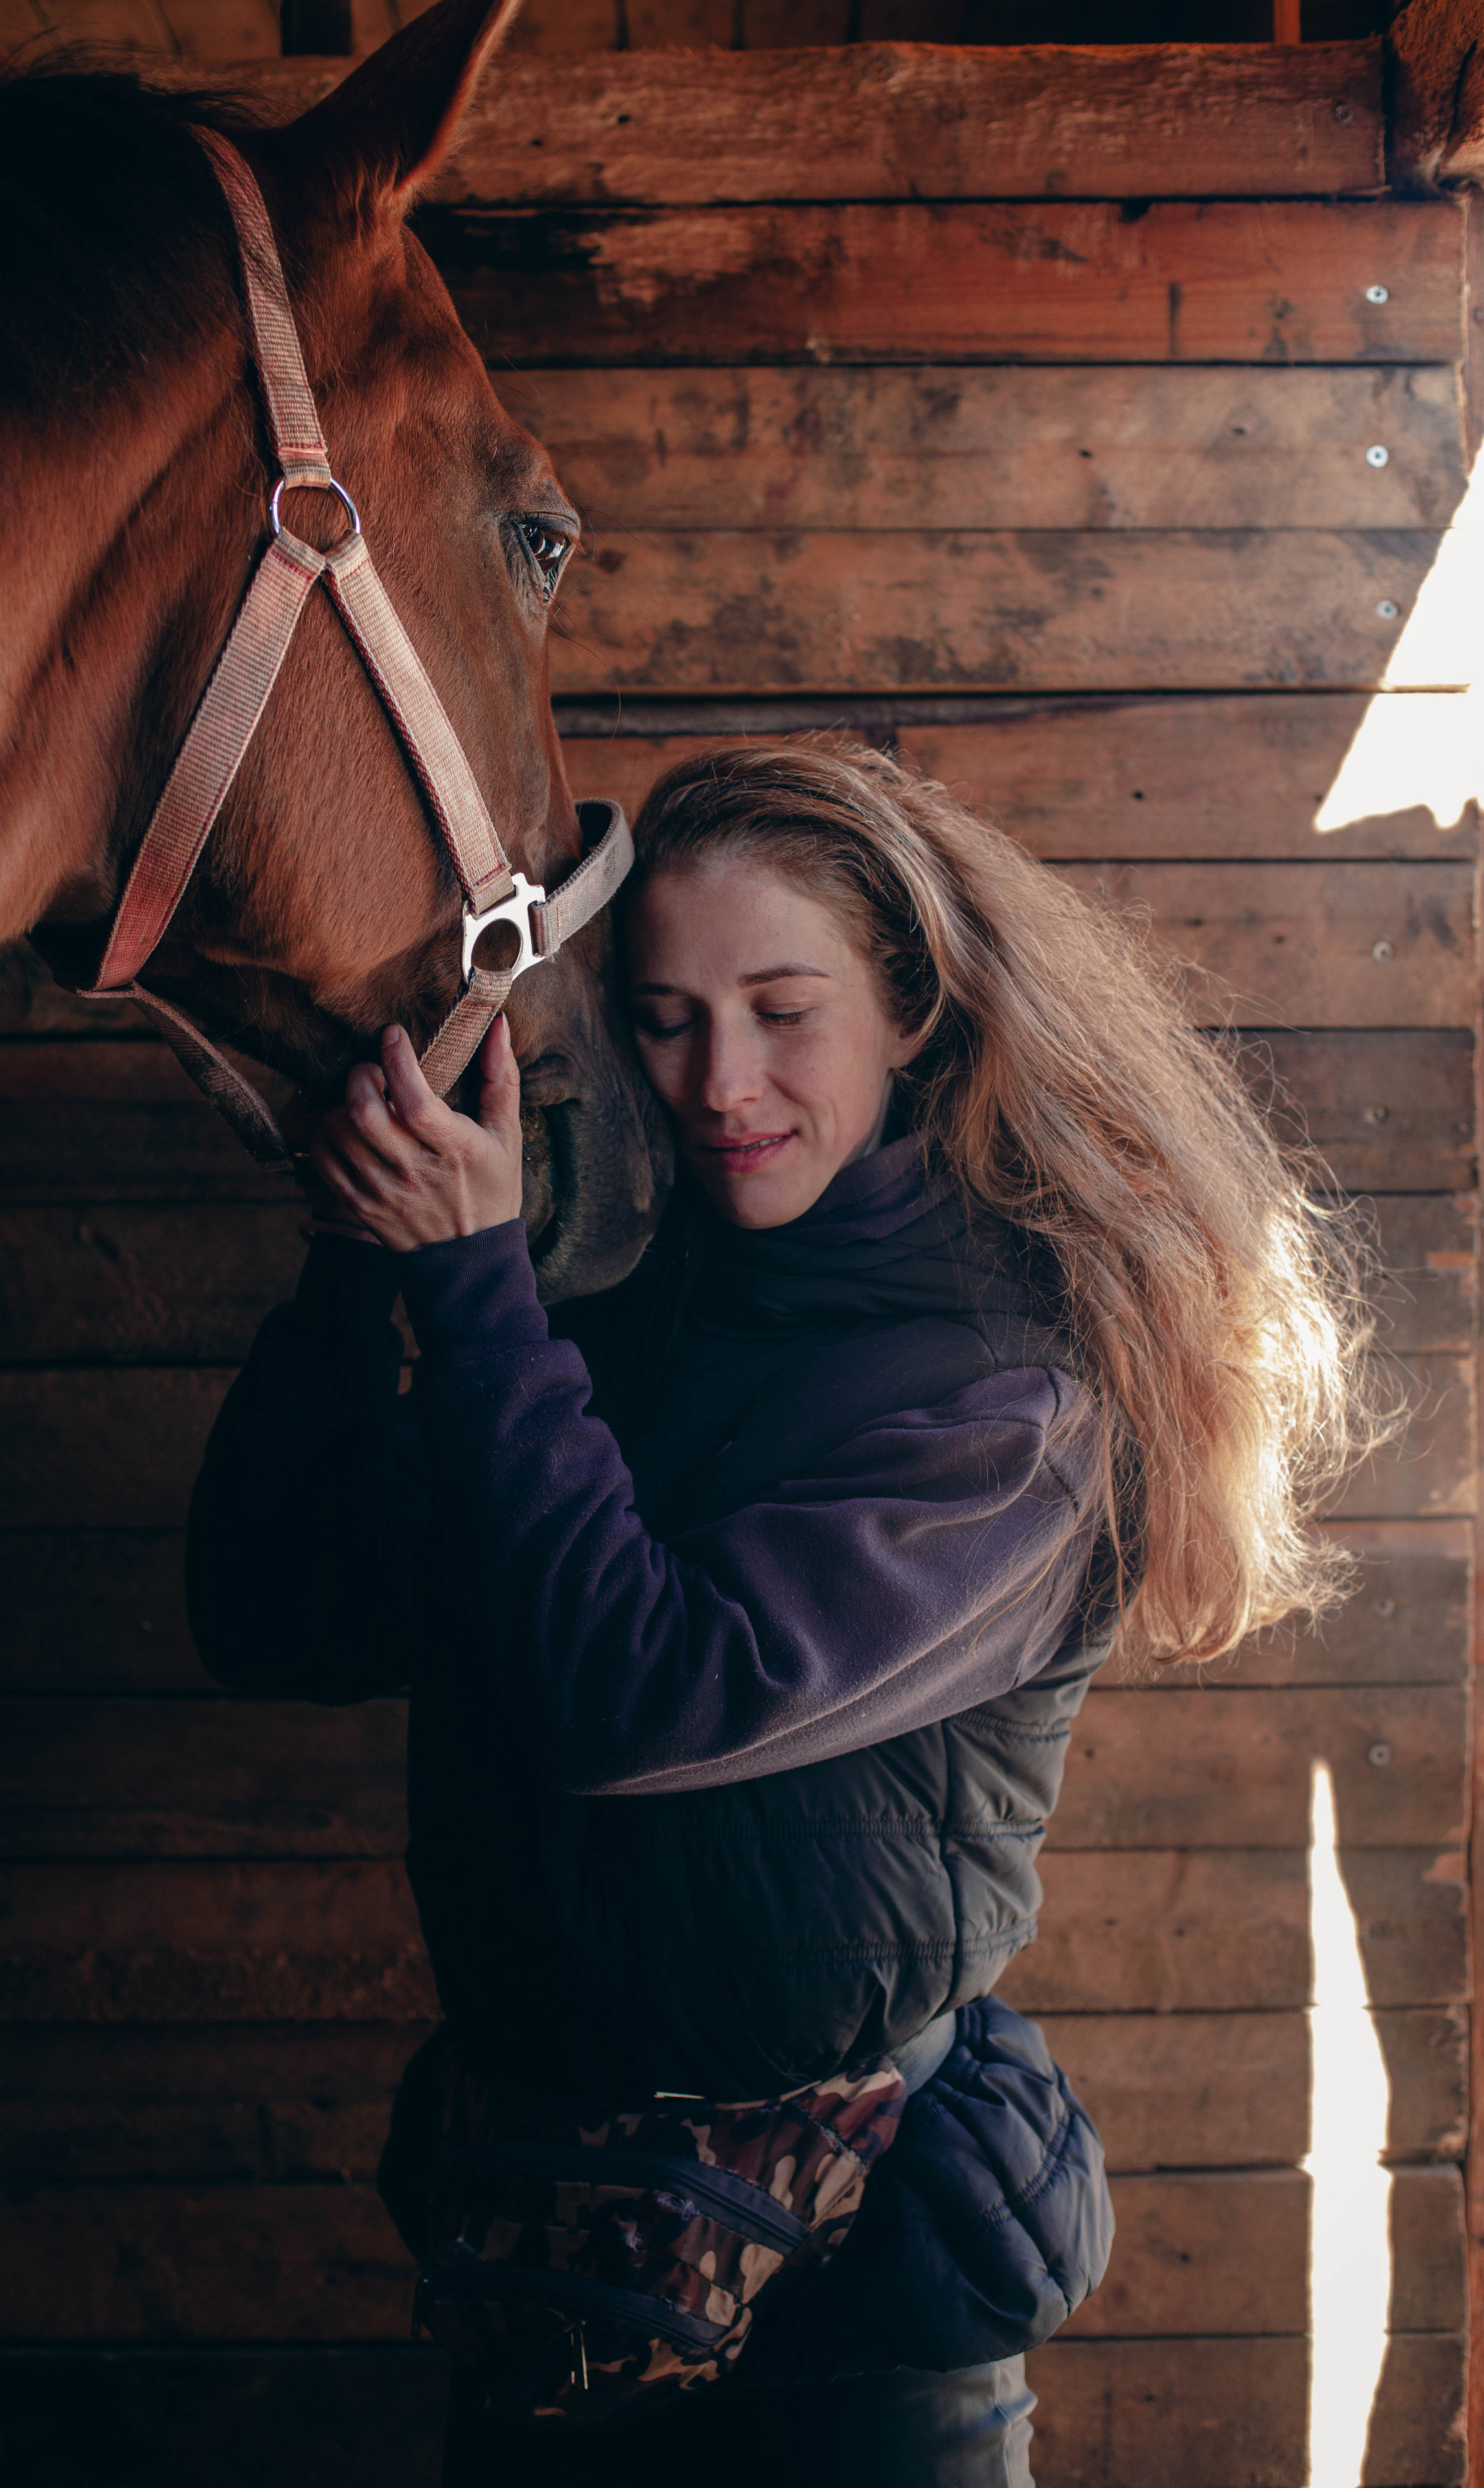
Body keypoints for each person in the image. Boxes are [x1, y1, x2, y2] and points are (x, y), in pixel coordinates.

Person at [188, 742, 1377, 2485]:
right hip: (550, 2260)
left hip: (856, 2325)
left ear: (912, 1011)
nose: (718, 1082)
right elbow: (284, 1621)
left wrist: (471, 1291)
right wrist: (362, 1270)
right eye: (665, 1019)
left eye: (782, 1011)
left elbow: (644, 1698)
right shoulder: (592, 1294)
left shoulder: (1012, 1394)